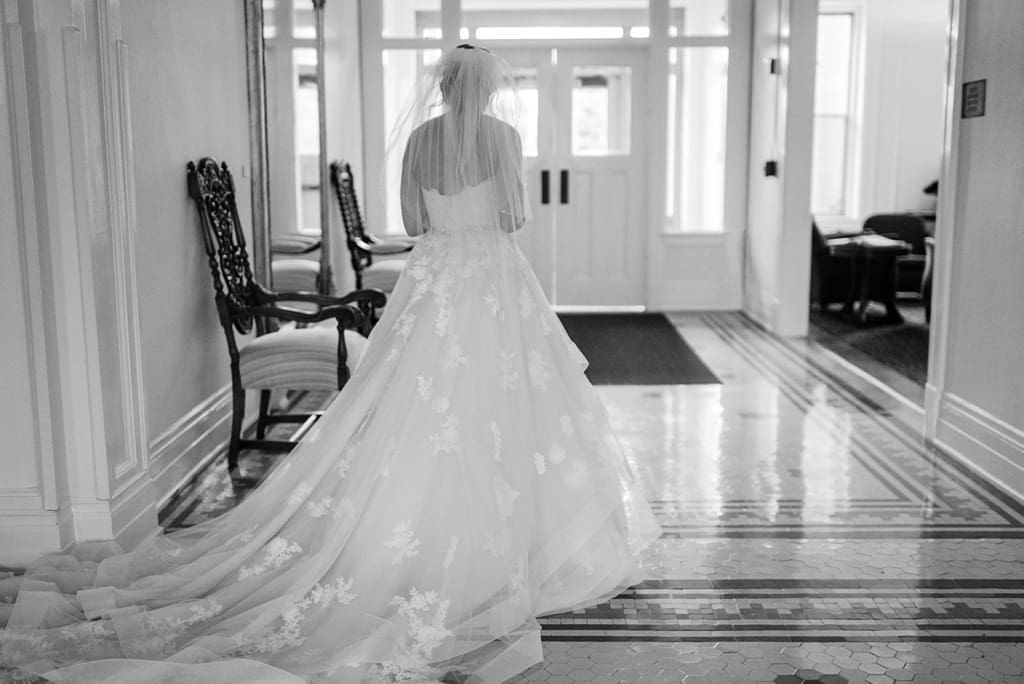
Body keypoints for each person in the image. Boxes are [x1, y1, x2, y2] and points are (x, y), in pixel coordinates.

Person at [0, 44, 660, 683]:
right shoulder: (504, 139)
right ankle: (504, 547)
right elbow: (514, 217)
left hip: (435, 284)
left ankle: (408, 535)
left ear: (442, 86)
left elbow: (411, 221)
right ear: (487, 89)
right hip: (492, 283)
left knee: (418, 412)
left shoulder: (422, 140)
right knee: (504, 409)